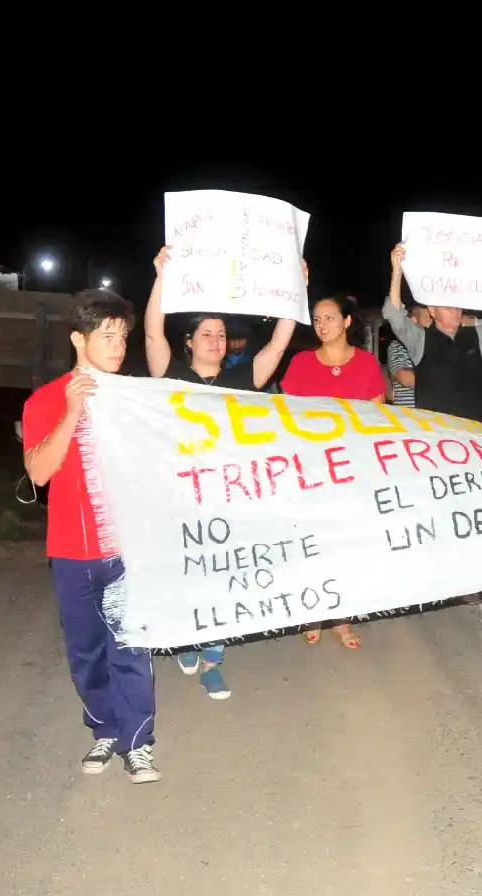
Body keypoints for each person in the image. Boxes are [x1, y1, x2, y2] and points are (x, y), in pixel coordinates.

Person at [144, 246, 300, 699]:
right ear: (189, 341)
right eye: (206, 333)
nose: (215, 340)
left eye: (221, 333)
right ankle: (188, 639)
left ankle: (213, 657)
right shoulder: (171, 375)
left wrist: (295, 288)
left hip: (230, 496)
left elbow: (278, 345)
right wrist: (161, 277)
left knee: (223, 576)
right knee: (187, 572)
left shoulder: (241, 381)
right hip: (180, 495)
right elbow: (153, 333)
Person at [22, 289, 161, 784]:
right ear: (78, 339)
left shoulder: (137, 400)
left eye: (123, 337)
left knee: (130, 645)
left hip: (125, 551)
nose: (119, 347)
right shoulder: (44, 400)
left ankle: (137, 742)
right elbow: (39, 472)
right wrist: (71, 413)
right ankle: (104, 729)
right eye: (107, 337)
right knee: (86, 650)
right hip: (71, 551)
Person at [282, 294, 386, 648]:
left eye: (329, 318)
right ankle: (313, 611)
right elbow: (286, 417)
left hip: (352, 469)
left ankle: (342, 617)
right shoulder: (301, 363)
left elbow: (377, 418)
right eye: (316, 319)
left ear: (346, 322)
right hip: (313, 468)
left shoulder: (368, 363)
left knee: (346, 543)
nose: (322, 325)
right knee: (314, 541)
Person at [383, 243, 482, 421]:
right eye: (447, 306)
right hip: (436, 434)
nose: (455, 310)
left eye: (457, 305)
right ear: (432, 311)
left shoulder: (477, 337)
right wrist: (397, 269)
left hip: (473, 433)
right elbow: (395, 316)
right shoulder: (421, 340)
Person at [387, 305, 432, 406]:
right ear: (413, 321)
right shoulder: (397, 346)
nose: (433, 322)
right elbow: (406, 379)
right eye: (428, 318)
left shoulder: (436, 345)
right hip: (408, 417)